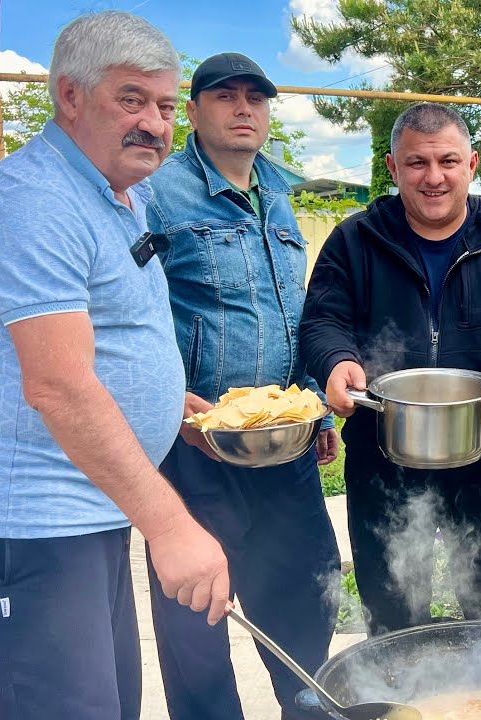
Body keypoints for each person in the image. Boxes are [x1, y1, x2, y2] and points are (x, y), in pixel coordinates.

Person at [0, 11, 230, 720]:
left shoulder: (119, 193)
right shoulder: (28, 202)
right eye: (131, 99)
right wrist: (173, 527)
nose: (155, 123)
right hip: (25, 516)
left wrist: (164, 398)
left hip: (88, 504)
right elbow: (58, 386)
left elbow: (107, 333)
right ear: (69, 95)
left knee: (112, 704)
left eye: (162, 103)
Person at [300, 102, 481, 636]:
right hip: (382, 460)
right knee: (393, 613)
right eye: (417, 163)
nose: (433, 177)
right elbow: (323, 321)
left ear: (472, 163)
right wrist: (337, 360)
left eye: (448, 161)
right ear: (393, 168)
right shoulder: (354, 241)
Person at [144, 52, 341, 720]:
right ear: (193, 112)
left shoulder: (277, 196)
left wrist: (317, 406)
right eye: (224, 96)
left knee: (308, 592)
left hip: (282, 448)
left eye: (255, 98)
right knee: (195, 623)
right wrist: (165, 401)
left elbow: (297, 312)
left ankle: (307, 712)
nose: (243, 108)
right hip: (197, 448)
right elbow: (122, 311)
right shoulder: (155, 193)